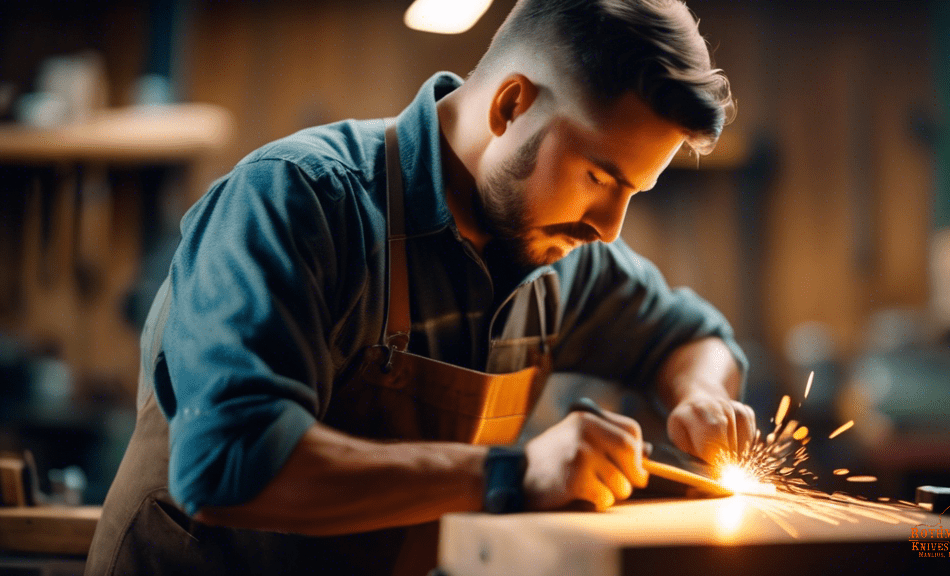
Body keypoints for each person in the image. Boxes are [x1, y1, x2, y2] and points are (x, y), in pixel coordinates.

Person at [86, 1, 757, 575]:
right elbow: (232, 461)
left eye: (633, 193)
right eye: (600, 178)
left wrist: (698, 396)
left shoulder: (561, 257)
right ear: (511, 104)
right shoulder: (300, 201)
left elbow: (693, 338)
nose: (610, 229)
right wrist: (512, 475)